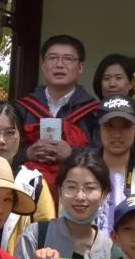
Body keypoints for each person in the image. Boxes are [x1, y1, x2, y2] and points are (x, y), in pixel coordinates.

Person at [16, 34, 101, 196]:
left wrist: (71, 154)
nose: (59, 65)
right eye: (52, 58)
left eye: (68, 59)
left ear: (80, 67)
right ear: (43, 65)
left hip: (79, 196)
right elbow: (3, 152)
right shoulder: (22, 109)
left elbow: (104, 156)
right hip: (27, 192)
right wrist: (28, 153)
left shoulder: (94, 113)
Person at [0, 100, 56, 258]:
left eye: (9, 133)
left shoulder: (33, 182)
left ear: (21, 137)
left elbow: (47, 235)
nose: (1, 140)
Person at [96, 96, 135, 233]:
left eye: (125, 126)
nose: (117, 134)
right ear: (99, 129)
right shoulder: (81, 174)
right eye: (110, 126)